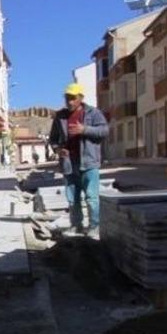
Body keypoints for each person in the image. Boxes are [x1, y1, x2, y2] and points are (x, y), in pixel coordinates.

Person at [48, 82, 108, 236]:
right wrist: (58, 149)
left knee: (91, 197)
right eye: (67, 98)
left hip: (89, 163)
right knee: (72, 199)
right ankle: (76, 225)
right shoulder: (60, 117)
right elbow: (53, 139)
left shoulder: (93, 113)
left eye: (73, 98)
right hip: (69, 164)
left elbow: (104, 131)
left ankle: (94, 226)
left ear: (81, 97)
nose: (70, 101)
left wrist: (85, 129)